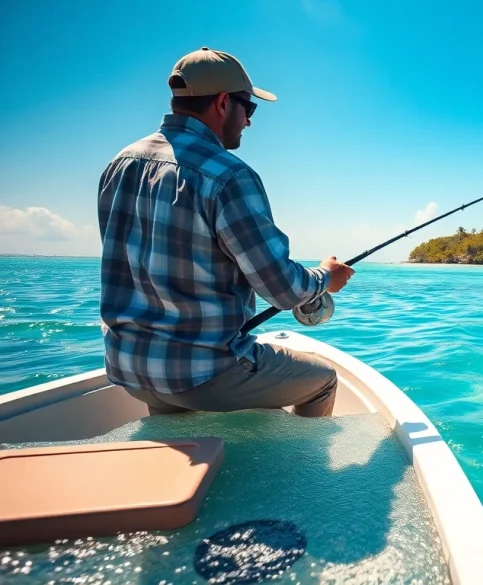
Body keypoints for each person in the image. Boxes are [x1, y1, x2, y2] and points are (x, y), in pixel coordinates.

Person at [97, 47, 353, 417]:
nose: (248, 121)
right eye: (247, 108)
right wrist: (326, 277)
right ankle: (300, 475)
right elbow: (282, 289)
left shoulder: (119, 163)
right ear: (222, 103)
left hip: (129, 371)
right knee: (324, 380)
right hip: (204, 374)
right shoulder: (228, 175)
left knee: (176, 402)